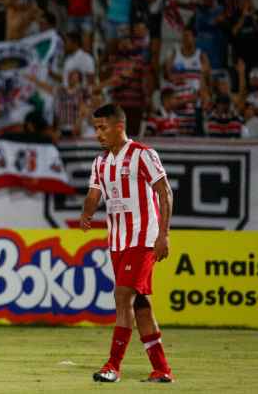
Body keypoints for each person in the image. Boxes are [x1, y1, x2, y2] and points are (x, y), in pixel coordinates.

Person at [80, 103, 173, 384]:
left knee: (122, 296)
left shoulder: (143, 155)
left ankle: (112, 366)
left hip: (143, 238)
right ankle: (162, 370)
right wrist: (86, 212)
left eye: (102, 127)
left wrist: (164, 234)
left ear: (119, 126)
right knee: (140, 304)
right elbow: (94, 194)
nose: (98, 134)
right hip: (118, 242)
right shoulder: (101, 162)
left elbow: (165, 192)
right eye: (95, 128)